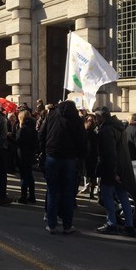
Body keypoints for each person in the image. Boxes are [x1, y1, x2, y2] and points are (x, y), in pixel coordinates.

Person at [39, 100, 86, 234]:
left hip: (52, 156)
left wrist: (43, 150)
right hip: (69, 158)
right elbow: (82, 140)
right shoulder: (76, 119)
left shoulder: (51, 115)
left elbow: (42, 134)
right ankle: (67, 225)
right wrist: (81, 157)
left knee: (52, 191)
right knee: (68, 193)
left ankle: (51, 224)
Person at [94, 107, 136, 237]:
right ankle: (129, 225)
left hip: (112, 168)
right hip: (122, 167)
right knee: (122, 195)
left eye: (97, 117)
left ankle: (111, 223)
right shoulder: (118, 127)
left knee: (106, 195)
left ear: (101, 117)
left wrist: (113, 173)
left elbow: (110, 153)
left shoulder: (106, 130)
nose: (95, 120)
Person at [15, 110, 38, 204]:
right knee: (29, 175)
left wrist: (9, 138)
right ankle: (32, 196)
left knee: (24, 176)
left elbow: (18, 141)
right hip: (30, 154)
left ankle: (23, 197)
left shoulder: (23, 128)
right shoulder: (33, 128)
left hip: (23, 154)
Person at [79, 114, 98, 199]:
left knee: (85, 174)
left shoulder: (83, 134)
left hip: (85, 157)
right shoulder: (96, 135)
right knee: (93, 176)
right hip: (93, 157)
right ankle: (91, 192)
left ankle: (86, 187)